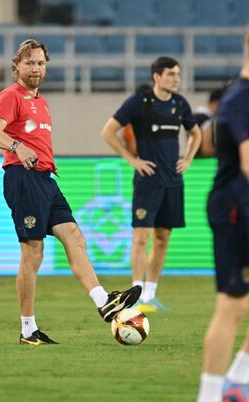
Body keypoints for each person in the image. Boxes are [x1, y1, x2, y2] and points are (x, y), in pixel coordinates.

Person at [0, 39, 141, 345]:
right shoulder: (9, 96)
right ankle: (28, 329)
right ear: (16, 65)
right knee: (33, 252)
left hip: (45, 179)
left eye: (41, 63)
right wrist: (18, 146)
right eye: (29, 63)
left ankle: (104, 301)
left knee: (74, 237)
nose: (36, 68)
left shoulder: (41, 103)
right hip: (22, 177)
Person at [101, 56, 202, 312]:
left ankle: (150, 294)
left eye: (178, 74)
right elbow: (108, 132)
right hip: (147, 182)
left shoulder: (180, 104)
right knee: (141, 237)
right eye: (171, 74)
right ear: (157, 77)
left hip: (173, 182)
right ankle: (135, 294)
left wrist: (188, 158)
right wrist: (132, 159)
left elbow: (196, 132)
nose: (176, 79)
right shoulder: (140, 102)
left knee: (162, 238)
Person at [196, 29, 249, 402]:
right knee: (231, 305)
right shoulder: (241, 98)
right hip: (234, 209)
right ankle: (210, 394)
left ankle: (239, 379)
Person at [194, 88, 224, 157]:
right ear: (216, 103)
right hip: (205, 162)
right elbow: (206, 149)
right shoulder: (207, 121)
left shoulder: (194, 116)